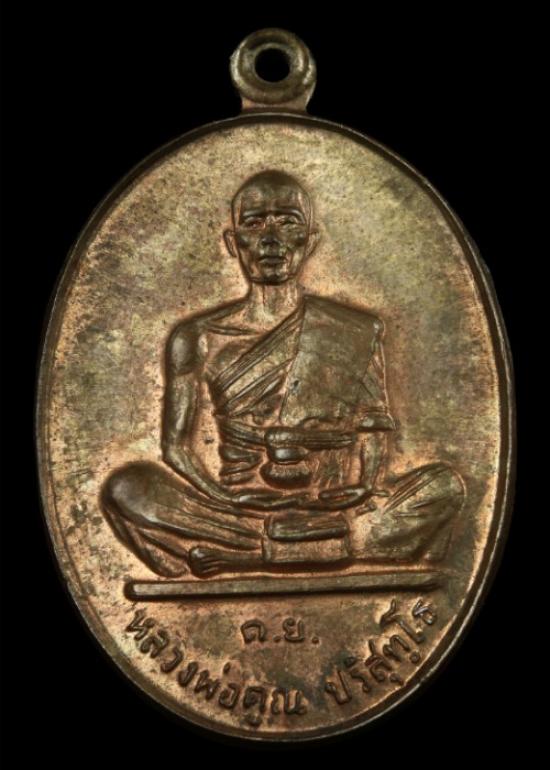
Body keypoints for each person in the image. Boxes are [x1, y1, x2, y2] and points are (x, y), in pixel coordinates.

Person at [101, 170, 464, 578]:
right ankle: (327, 548)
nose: (271, 239)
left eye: (288, 222)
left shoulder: (354, 329)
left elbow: (373, 424)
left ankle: (254, 554)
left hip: (333, 505)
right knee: (127, 488)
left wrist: (364, 485)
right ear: (233, 242)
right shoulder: (196, 337)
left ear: (310, 241)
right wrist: (226, 498)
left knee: (444, 485)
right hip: (238, 510)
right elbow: (176, 448)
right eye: (254, 223)